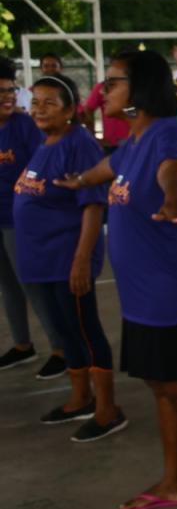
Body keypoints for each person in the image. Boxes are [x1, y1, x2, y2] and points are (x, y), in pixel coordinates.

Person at [58, 49, 177, 509]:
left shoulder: (169, 132)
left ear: (142, 88)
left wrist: (173, 195)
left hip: (172, 293)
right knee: (161, 389)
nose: (103, 90)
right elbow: (111, 168)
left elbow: (172, 168)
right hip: (141, 297)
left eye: (113, 82)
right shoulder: (135, 138)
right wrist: (78, 180)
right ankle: (173, 482)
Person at [15, 74, 125, 440]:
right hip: (40, 260)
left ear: (70, 110)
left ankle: (107, 409)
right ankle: (81, 398)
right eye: (35, 102)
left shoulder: (80, 144)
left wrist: (81, 259)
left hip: (65, 258)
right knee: (65, 331)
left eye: (49, 103)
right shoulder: (46, 142)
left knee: (84, 329)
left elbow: (92, 205)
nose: (39, 109)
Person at [0, 58, 66, 376]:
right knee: (7, 285)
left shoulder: (25, 126)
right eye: (0, 92)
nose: (7, 97)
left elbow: (42, 169)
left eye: (10, 90)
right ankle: (22, 345)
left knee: (32, 285)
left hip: (19, 220)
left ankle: (61, 349)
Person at [79, 70, 131, 153]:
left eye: (112, 85)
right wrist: (93, 137)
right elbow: (87, 110)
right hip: (111, 144)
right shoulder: (101, 88)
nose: (102, 91)